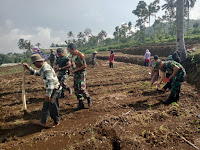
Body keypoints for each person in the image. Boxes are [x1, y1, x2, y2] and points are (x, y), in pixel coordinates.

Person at [23, 54, 61, 127]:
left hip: (54, 90)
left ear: (39, 61)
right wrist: (29, 68)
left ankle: (56, 121)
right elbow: (37, 73)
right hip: (51, 89)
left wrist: (48, 94)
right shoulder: (43, 67)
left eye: (34, 64)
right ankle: (43, 121)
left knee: (53, 107)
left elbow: (51, 83)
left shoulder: (46, 69)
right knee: (46, 106)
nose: (34, 65)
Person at [67, 43, 92, 109]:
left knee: (81, 87)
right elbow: (72, 65)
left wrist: (75, 70)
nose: (69, 52)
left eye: (70, 51)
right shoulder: (72, 56)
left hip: (81, 73)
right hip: (76, 74)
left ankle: (88, 97)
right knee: (76, 89)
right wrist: (71, 69)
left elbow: (84, 66)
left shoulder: (80, 55)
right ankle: (81, 104)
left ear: (74, 49)